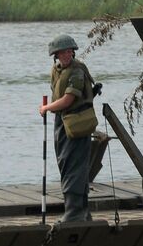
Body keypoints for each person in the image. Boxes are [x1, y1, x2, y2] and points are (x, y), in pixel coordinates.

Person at [38, 34, 98, 223]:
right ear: (56, 55)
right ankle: (82, 212)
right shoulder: (56, 70)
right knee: (66, 163)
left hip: (77, 123)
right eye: (63, 52)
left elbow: (68, 100)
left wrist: (46, 108)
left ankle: (74, 212)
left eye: (69, 51)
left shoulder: (77, 71)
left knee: (74, 165)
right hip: (62, 123)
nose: (67, 55)